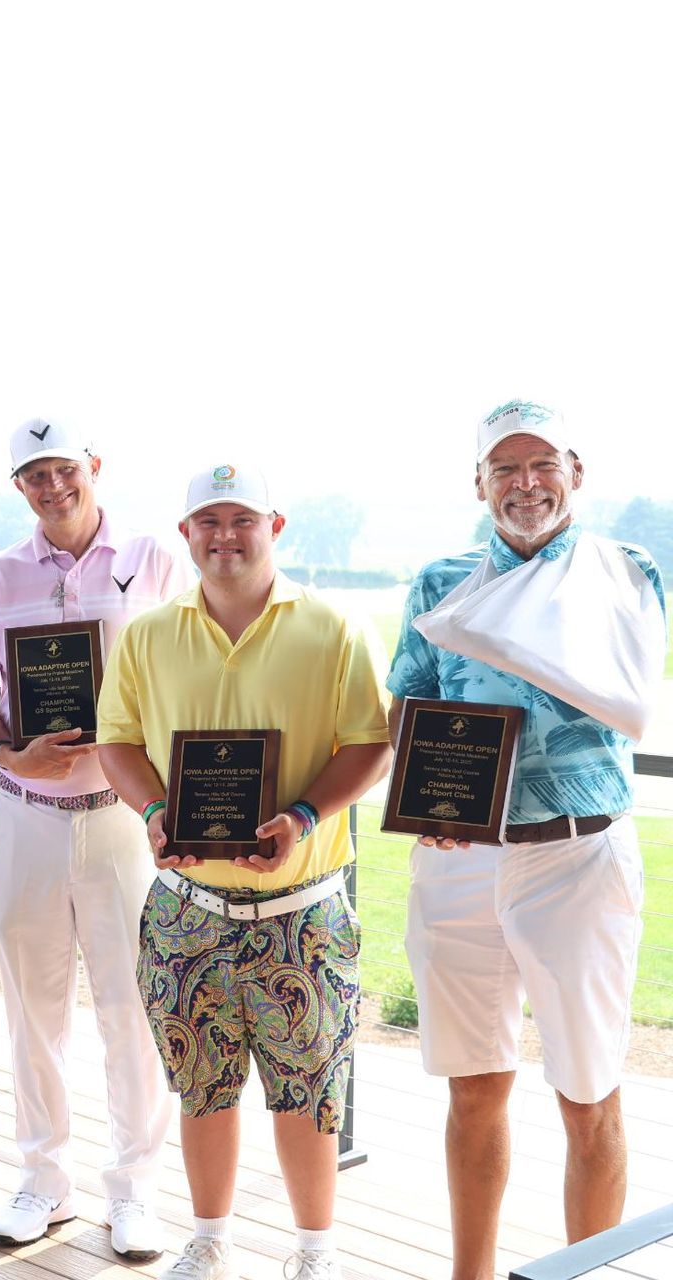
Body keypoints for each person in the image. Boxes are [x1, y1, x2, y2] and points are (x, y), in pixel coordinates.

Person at [386, 402, 664, 1280]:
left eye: (541, 463)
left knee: (588, 1097)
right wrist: (422, 793)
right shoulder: (440, 582)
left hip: (577, 856)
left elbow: (629, 694)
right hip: (461, 860)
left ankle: (580, 1273)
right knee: (474, 1092)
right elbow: (408, 706)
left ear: (574, 471)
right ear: (478, 483)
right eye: (504, 468)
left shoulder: (625, 571)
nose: (525, 483)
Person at [96, 462, 392, 1280]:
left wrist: (302, 816)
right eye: (209, 522)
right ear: (185, 533)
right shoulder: (150, 634)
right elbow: (115, 741)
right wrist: (155, 813)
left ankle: (313, 1253)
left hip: (304, 911)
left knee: (309, 1095)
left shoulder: (334, 627)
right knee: (202, 1087)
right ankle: (210, 1239)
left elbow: (370, 744)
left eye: (243, 520)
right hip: (190, 907)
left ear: (276, 526)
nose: (226, 537)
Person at [0, 419, 187, 1254]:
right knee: (31, 1011)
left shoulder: (155, 562)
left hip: (125, 820)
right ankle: (44, 1180)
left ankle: (136, 1190)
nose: (53, 486)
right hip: (28, 817)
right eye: (35, 475)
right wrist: (11, 750)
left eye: (65, 469)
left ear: (95, 468)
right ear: (20, 487)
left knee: (134, 1008)